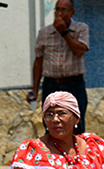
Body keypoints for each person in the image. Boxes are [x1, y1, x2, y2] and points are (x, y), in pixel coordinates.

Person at [30, 0, 89, 132]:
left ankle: (76, 152)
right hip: (51, 84)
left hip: (74, 84)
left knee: (76, 126)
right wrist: (35, 89)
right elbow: (38, 61)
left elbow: (80, 51)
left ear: (72, 12)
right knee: (51, 125)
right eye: (57, 10)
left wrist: (64, 32)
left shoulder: (81, 29)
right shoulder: (45, 33)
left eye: (64, 10)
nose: (59, 14)